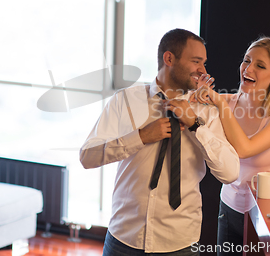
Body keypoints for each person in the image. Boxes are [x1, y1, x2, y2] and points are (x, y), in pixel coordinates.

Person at [79, 28, 240, 256]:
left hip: (180, 243)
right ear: (169, 58)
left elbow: (231, 173)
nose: (203, 70)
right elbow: (87, 157)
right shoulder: (125, 101)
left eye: (204, 63)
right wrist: (141, 137)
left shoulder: (207, 113)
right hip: (124, 239)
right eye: (196, 61)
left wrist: (196, 126)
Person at [195, 36, 270, 256]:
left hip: (266, 212)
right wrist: (197, 95)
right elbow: (186, 108)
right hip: (228, 207)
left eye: (260, 65)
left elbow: (244, 149)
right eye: (246, 60)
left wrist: (217, 102)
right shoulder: (227, 102)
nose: (248, 68)